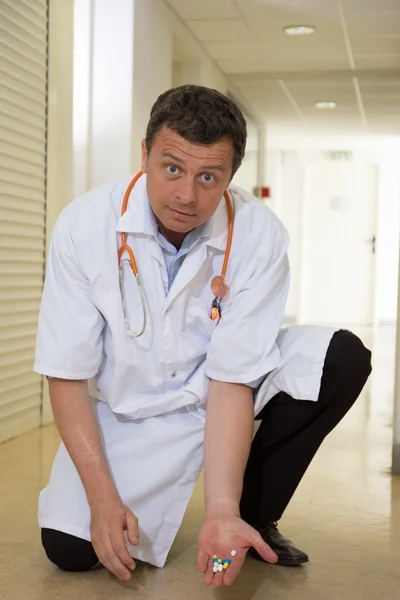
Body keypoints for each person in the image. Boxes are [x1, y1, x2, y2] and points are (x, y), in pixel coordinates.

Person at [34, 84, 372, 588]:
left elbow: (232, 378)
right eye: (172, 168)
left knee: (341, 358)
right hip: (130, 411)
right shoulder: (84, 226)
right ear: (144, 154)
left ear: (231, 178)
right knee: (71, 550)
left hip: (221, 390)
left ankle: (249, 517)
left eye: (208, 176)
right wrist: (103, 499)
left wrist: (220, 509)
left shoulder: (259, 235)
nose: (187, 195)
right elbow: (66, 371)